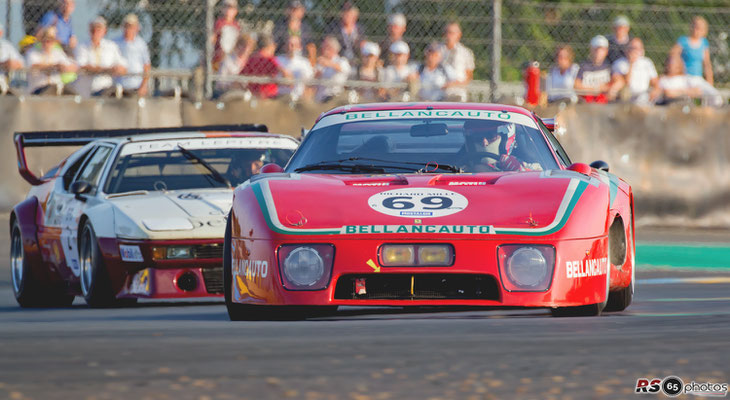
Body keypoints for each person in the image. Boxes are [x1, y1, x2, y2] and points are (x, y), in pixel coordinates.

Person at [74, 17, 127, 97]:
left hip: (105, 89)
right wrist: (106, 70)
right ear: (89, 31)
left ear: (104, 31)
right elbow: (82, 66)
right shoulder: (82, 46)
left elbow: (122, 66)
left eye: (99, 29)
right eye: (93, 29)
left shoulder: (111, 46)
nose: (96, 32)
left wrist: (118, 69)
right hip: (86, 91)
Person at [25, 26, 77, 95]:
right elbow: (33, 65)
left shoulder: (58, 52)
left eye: (50, 40)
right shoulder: (33, 53)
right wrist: (54, 66)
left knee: (72, 95)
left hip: (56, 90)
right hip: (38, 90)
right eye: (45, 40)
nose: (48, 43)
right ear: (41, 40)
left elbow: (73, 66)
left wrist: (65, 68)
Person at [462, 120, 527, 172]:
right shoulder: (459, 167)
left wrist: (519, 171)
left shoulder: (522, 164)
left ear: (505, 137)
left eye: (490, 136)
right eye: (477, 136)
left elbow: (535, 177)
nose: (484, 142)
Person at [657, 55, 722, 107]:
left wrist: (678, 92)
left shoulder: (685, 79)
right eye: (669, 63)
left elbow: (698, 91)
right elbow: (667, 93)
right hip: (669, 105)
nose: (670, 65)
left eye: (673, 63)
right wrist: (686, 91)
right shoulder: (663, 79)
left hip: (684, 104)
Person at [611, 38, 658, 104]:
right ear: (626, 49)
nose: (635, 51)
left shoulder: (647, 62)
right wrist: (631, 64)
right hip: (627, 96)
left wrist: (655, 90)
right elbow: (626, 82)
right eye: (632, 48)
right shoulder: (620, 63)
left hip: (644, 95)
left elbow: (655, 82)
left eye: (638, 48)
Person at [240, 35, 289, 99]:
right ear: (271, 46)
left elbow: (239, 78)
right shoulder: (269, 59)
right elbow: (286, 75)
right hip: (269, 95)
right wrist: (279, 82)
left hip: (254, 96)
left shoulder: (251, 59)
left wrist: (246, 89)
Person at [114, 14, 151, 97]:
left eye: (131, 26)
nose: (128, 29)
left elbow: (147, 66)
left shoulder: (141, 44)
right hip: (119, 85)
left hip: (136, 85)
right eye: (126, 26)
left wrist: (144, 85)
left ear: (137, 28)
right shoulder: (115, 43)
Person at [672, 16, 713, 86]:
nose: (696, 30)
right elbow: (672, 57)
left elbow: (707, 64)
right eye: (695, 27)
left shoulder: (704, 43)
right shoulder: (683, 41)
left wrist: (710, 82)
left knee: (714, 95)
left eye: (700, 28)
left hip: (698, 78)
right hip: (684, 78)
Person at [438, 22, 474, 101]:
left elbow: (469, 76)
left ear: (459, 35)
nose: (448, 35)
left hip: (458, 92)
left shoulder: (465, 52)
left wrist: (454, 84)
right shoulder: (437, 50)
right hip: (438, 91)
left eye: (452, 33)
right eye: (446, 32)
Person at [574, 35, 615, 103]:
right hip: (587, 103)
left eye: (602, 49)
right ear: (591, 49)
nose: (598, 52)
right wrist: (596, 89)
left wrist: (611, 89)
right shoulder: (584, 66)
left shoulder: (608, 65)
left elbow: (618, 80)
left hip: (604, 102)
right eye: (596, 49)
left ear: (606, 51)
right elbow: (576, 85)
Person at [276, 35, 314, 101]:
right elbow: (273, 78)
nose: (291, 48)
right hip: (280, 96)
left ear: (300, 47)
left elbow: (309, 82)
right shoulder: (278, 60)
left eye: (294, 45)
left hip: (298, 97)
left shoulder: (304, 62)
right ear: (285, 46)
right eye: (289, 44)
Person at [314, 36, 351, 102]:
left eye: (327, 47)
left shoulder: (341, 61)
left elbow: (344, 70)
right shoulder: (321, 63)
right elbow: (313, 79)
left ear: (334, 49)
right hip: (320, 97)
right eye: (323, 47)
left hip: (335, 96)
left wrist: (329, 64)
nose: (324, 49)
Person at [332, 2, 365, 68]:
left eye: (349, 13)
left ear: (355, 16)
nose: (346, 15)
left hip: (356, 57)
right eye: (344, 13)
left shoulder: (359, 29)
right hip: (340, 58)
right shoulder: (334, 28)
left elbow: (362, 43)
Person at [213, 0, 241, 69]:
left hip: (232, 56)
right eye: (225, 7)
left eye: (231, 8)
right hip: (219, 57)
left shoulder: (236, 25)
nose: (228, 10)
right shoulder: (219, 23)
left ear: (235, 11)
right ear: (222, 9)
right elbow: (213, 39)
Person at [0, 23, 24, 94]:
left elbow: (21, 63)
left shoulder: (6, 46)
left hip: (5, 84)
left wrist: (11, 64)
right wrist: (3, 64)